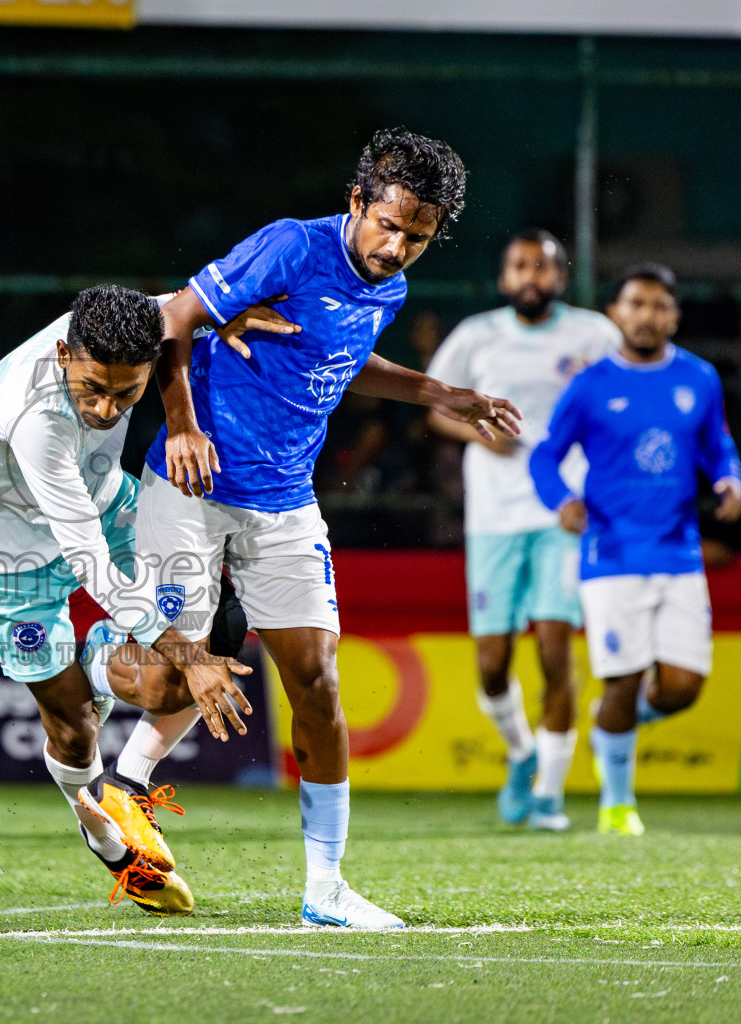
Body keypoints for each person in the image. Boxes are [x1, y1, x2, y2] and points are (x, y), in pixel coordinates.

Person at [90, 127, 522, 929]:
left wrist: (443, 395)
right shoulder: (291, 247)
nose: (397, 247)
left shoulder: (385, 289)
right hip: (195, 482)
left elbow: (342, 357)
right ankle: (103, 677)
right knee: (163, 679)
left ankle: (324, 888)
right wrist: (181, 425)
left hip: (285, 501)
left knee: (318, 681)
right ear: (358, 201)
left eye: (418, 238)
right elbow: (174, 319)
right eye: (388, 225)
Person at [0, 284, 275, 915]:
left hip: (104, 503)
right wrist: (182, 652)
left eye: (126, 393)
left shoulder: (132, 327)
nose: (104, 408)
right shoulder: (37, 419)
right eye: (91, 387)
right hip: (6, 551)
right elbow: (88, 559)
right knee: (74, 728)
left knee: (194, 653)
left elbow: (187, 300)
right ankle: (108, 841)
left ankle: (127, 781)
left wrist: (236, 309)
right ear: (65, 353)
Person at [529, 263, 741, 836]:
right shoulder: (592, 384)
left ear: (674, 315)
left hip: (679, 553)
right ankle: (618, 804)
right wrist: (561, 501)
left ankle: (610, 727)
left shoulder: (699, 378)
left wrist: (730, 480)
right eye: (635, 304)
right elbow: (544, 456)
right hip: (611, 555)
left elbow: (717, 445)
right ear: (617, 313)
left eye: (658, 306)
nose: (647, 316)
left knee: (681, 689)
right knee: (622, 679)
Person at [425, 230, 620, 831]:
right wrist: (480, 430)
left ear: (561, 277)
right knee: (492, 662)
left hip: (565, 512)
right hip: (493, 517)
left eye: (543, 267)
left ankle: (550, 795)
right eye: (520, 266)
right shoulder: (476, 336)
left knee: (556, 649)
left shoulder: (594, 334)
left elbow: (624, 407)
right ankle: (520, 752)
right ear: (505, 276)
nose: (531, 276)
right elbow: (435, 407)